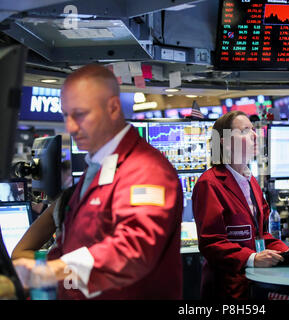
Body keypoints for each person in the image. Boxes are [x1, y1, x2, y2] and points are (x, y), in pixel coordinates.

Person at [12, 64, 183, 299]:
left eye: (80, 114)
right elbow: (76, 243)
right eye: (66, 116)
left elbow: (134, 249)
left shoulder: (146, 170)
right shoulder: (97, 168)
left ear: (113, 107)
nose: (70, 127)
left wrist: (50, 271)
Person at [192, 110, 289, 300]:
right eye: (244, 131)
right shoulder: (209, 183)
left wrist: (286, 251)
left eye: (252, 129)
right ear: (224, 141)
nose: (254, 135)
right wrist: (252, 258)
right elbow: (211, 244)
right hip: (226, 289)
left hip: (252, 285)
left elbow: (262, 235)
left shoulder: (251, 181)